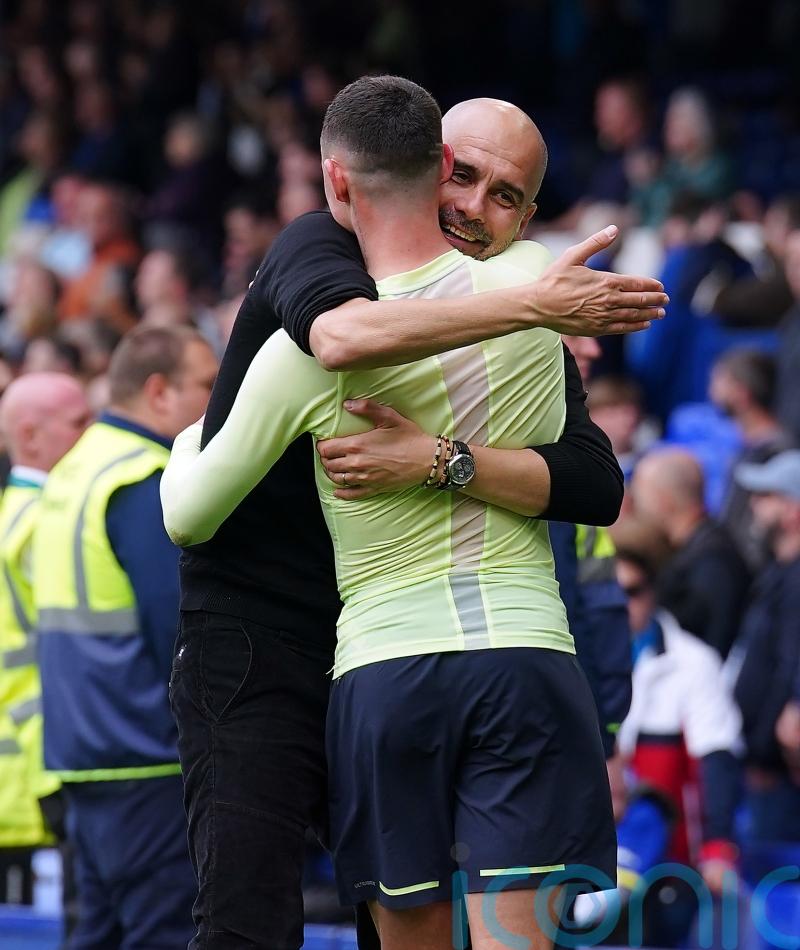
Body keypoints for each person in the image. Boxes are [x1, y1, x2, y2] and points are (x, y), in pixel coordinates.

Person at [169, 89, 666, 950]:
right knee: (249, 917)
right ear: (425, 165)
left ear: (528, 215)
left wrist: (437, 460)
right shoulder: (338, 252)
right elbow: (343, 338)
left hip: (386, 657)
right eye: (463, 176)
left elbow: (593, 483)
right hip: (269, 639)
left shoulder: (530, 299)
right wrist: (540, 307)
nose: (474, 207)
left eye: (503, 195)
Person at [32, 326, 218, 949]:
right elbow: (181, 628)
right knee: (159, 933)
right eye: (207, 385)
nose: (219, 401)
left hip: (85, 756)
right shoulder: (144, 476)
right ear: (160, 391)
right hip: (149, 755)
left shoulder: (76, 467)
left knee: (98, 936)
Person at [613, 520, 742, 901]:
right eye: (609, 591)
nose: (620, 604)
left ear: (654, 591)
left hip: (669, 873)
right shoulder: (572, 656)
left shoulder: (694, 662)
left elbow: (717, 758)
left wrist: (718, 849)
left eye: (632, 591)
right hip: (591, 859)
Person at [0, 373, 91, 905]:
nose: (94, 434)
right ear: (31, 436)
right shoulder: (46, 522)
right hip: (47, 764)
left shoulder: (13, 515)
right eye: (80, 423)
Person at [733, 450, 800, 843]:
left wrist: (769, 753)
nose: (754, 504)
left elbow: (791, 664)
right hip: (763, 765)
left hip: (779, 771)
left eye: (768, 495)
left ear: (793, 510)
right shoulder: (779, 570)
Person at [630, 447, 749, 658]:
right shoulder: (690, 552)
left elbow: (714, 647)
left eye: (639, 500)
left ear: (662, 502)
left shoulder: (713, 564)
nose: (635, 510)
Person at [710, 348, 795, 571]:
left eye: (720, 379)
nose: (711, 388)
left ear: (741, 392)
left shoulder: (778, 450)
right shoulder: (747, 446)